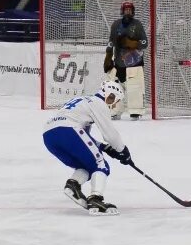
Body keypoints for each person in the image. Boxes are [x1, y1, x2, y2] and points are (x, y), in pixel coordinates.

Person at [42, 80, 131, 215]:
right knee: (100, 164)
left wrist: (104, 147)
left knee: (86, 165)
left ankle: (73, 185)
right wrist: (123, 151)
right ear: (111, 95)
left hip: (49, 135)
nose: (115, 104)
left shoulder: (83, 99)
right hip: (68, 130)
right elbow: (110, 134)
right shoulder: (99, 103)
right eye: (116, 100)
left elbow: (83, 137)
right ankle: (96, 198)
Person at [104, 1, 149, 120]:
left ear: (133, 11)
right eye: (126, 9)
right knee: (113, 86)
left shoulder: (137, 24)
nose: (127, 11)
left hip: (135, 63)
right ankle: (114, 110)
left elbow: (145, 43)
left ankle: (135, 111)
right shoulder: (116, 25)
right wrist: (108, 58)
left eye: (129, 10)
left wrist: (132, 43)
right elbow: (110, 42)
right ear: (122, 11)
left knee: (135, 87)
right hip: (118, 62)